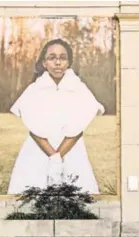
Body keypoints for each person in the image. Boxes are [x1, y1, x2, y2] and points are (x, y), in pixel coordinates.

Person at [7, 38, 104, 194]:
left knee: (74, 195)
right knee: (33, 194)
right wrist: (52, 156)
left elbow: (79, 127)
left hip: (71, 149)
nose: (57, 62)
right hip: (39, 149)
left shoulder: (79, 89)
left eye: (62, 58)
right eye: (52, 58)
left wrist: (59, 157)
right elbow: (33, 127)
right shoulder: (35, 90)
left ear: (69, 62)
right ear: (44, 63)